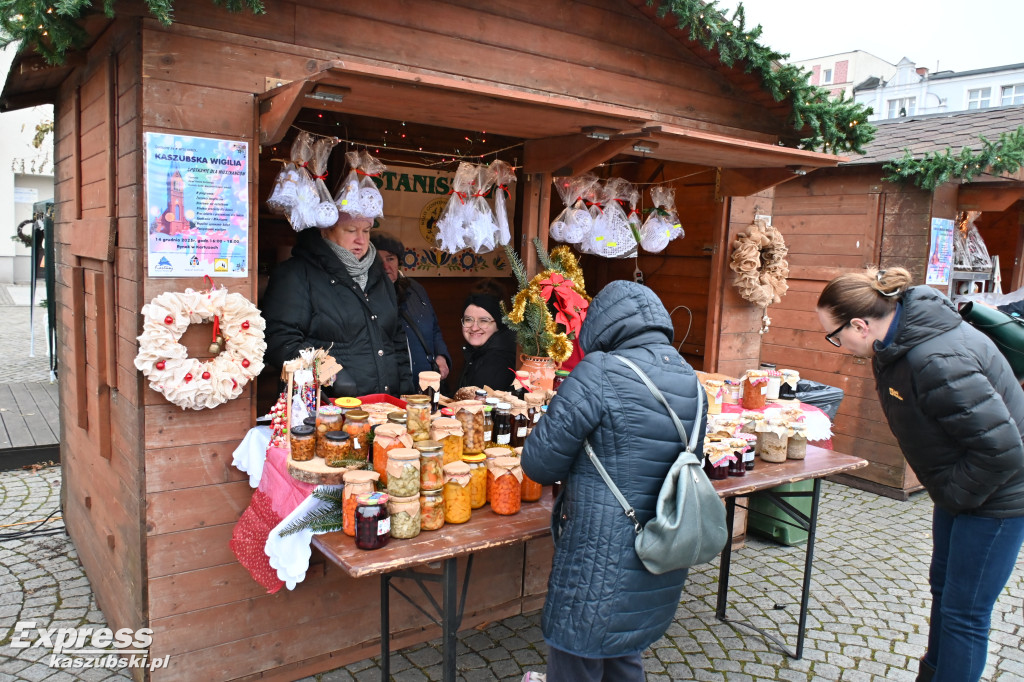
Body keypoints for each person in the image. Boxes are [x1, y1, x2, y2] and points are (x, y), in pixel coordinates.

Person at [816, 267, 1024, 682]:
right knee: (944, 592)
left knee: (966, 613)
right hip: (963, 489)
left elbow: (1003, 451)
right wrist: (951, 496)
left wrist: (953, 495)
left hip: (1000, 499)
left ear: (860, 324)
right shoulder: (901, 343)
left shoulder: (935, 359)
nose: (838, 345)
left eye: (836, 335)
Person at [520, 280, 705, 682]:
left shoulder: (599, 372)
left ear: (602, 325)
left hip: (596, 556)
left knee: (577, 654)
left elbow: (538, 464)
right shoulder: (692, 380)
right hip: (658, 548)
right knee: (623, 650)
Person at [261, 214, 412, 398]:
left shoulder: (379, 277)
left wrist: (405, 392)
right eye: (351, 231)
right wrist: (330, 373)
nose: (361, 240)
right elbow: (279, 340)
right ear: (325, 231)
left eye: (366, 230)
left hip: (383, 406)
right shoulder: (297, 274)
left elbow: (395, 340)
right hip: (326, 407)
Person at [370, 231, 451, 382]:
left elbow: (434, 328)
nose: (386, 266)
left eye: (391, 259)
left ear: (398, 261)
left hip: (426, 383)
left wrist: (441, 355)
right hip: (393, 385)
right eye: (378, 260)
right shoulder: (365, 296)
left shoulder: (416, 289)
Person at [457, 292, 517, 392]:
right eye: (468, 320)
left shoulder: (497, 362)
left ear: (498, 324)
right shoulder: (478, 352)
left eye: (484, 321)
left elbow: (479, 406)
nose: (474, 327)